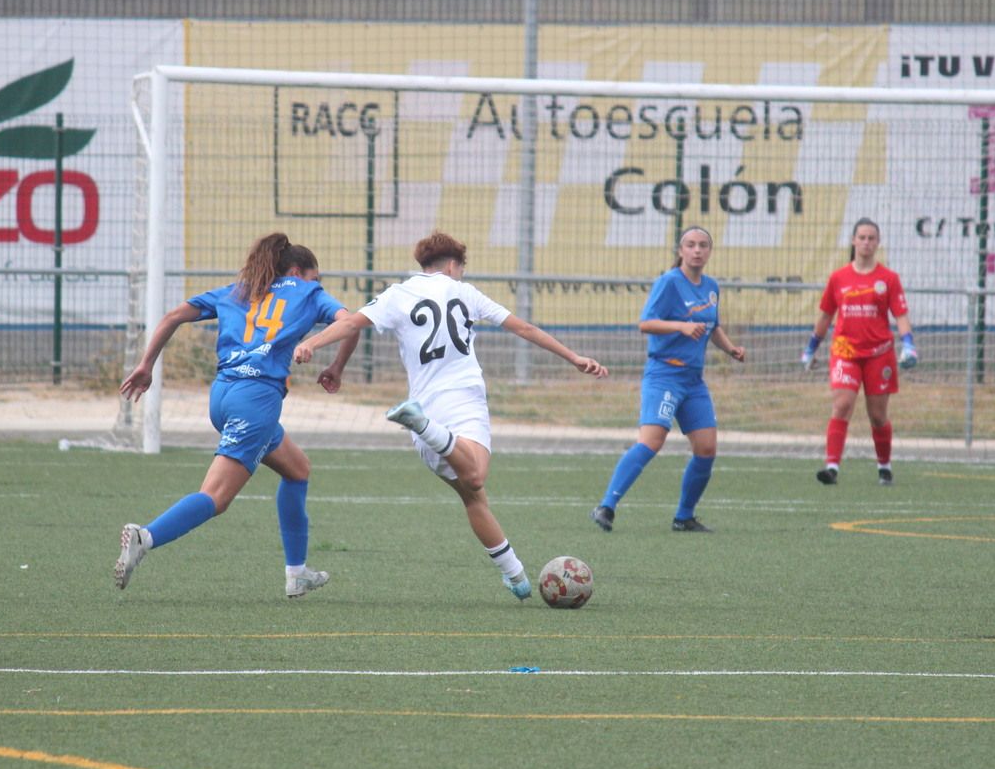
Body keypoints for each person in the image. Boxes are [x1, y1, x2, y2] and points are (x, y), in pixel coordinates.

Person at [293, 232, 607, 600]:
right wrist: (574, 358)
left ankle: (515, 576)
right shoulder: (465, 292)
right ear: (454, 265)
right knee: (475, 475)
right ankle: (423, 425)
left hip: (427, 402)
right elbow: (524, 328)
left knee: (473, 495)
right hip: (463, 402)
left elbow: (350, 324)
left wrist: (312, 343)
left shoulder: (398, 294)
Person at [115, 233, 358, 598]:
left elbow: (173, 315)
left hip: (223, 397)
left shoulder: (240, 290)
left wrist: (147, 364)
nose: (316, 284)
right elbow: (350, 323)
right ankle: (145, 536)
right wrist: (336, 366)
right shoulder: (308, 293)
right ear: (296, 270)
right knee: (216, 497)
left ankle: (297, 573)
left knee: (297, 470)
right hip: (256, 399)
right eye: (315, 276)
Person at [590, 225, 746, 534]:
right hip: (664, 374)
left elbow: (712, 326)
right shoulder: (669, 282)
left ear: (709, 251)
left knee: (706, 448)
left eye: (703, 245)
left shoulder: (712, 286)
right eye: (691, 244)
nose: (697, 250)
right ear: (680, 250)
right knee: (651, 441)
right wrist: (680, 327)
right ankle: (606, 506)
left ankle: (684, 517)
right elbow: (646, 323)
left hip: (693, 381)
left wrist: (730, 348)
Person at [801, 217, 917, 486]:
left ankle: (884, 466)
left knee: (877, 415)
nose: (866, 243)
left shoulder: (888, 278)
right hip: (845, 352)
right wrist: (810, 349)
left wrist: (908, 343)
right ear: (853, 241)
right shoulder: (838, 278)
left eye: (871, 238)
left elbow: (900, 315)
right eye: (861, 237)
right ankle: (831, 467)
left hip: (879, 354)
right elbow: (825, 316)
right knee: (842, 405)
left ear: (878, 243)